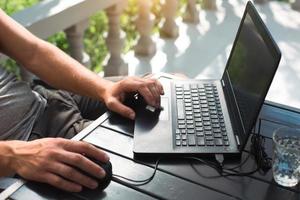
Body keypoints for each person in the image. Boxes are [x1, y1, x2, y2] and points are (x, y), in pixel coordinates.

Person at [0, 8, 163, 192]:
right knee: (156, 165)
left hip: (47, 97)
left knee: (167, 94)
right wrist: (12, 156)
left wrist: (105, 89)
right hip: (32, 145)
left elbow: (33, 52)